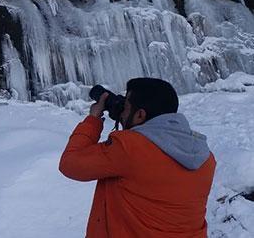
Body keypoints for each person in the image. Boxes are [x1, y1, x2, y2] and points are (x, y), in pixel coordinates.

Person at [59, 77, 216, 237]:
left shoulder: (129, 148)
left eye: (125, 106)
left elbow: (70, 163)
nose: (121, 111)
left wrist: (93, 120)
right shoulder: (205, 158)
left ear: (140, 114)